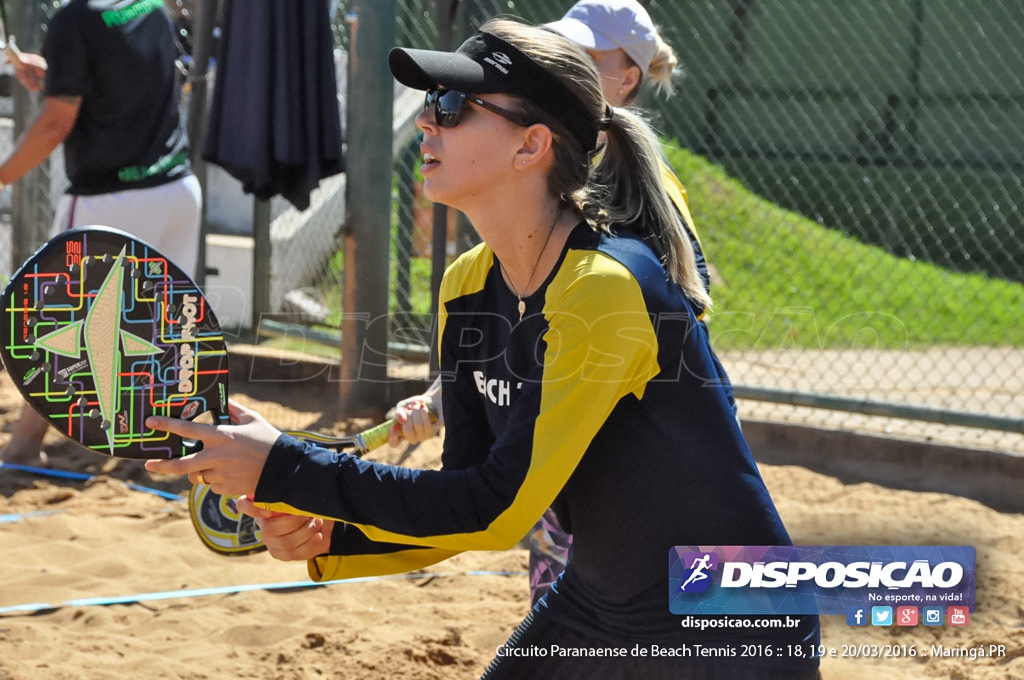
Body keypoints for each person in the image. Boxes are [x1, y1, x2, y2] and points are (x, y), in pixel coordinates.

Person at [145, 18, 819, 678]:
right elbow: (461, 497)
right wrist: (333, 533)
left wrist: (288, 467)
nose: (428, 122)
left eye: (454, 105)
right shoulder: (467, 284)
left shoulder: (604, 288)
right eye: (435, 102)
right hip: (600, 603)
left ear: (531, 146)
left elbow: (496, 511)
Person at [390, 0, 733, 607]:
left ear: (628, 77)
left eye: (586, 51)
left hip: (628, 453)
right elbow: (515, 327)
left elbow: (678, 313)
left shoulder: (628, 193)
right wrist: (453, 394)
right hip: (561, 452)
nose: (566, 55)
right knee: (561, 597)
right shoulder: (534, 194)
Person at [0, 0, 201, 467]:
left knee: (58, 327)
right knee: (164, 331)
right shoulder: (150, 7)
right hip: (176, 191)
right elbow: (120, 74)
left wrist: (3, 176)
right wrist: (59, 75)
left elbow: (55, 122)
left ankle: (25, 446)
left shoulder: (75, 20)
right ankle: (163, 449)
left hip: (109, 200)